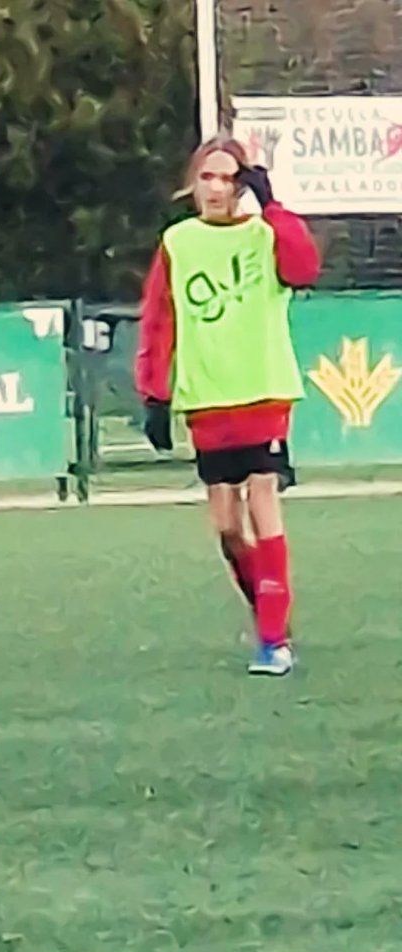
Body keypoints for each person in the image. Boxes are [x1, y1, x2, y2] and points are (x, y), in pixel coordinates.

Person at [135, 136, 321, 676]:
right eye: (207, 177)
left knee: (263, 503)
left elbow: (304, 268)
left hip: (263, 390)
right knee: (226, 526)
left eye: (227, 178)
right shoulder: (179, 243)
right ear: (193, 183)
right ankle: (270, 612)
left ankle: (272, 642)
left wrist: (274, 201)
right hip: (207, 399)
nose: (216, 188)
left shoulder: (265, 235)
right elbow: (159, 319)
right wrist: (154, 392)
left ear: (241, 185)